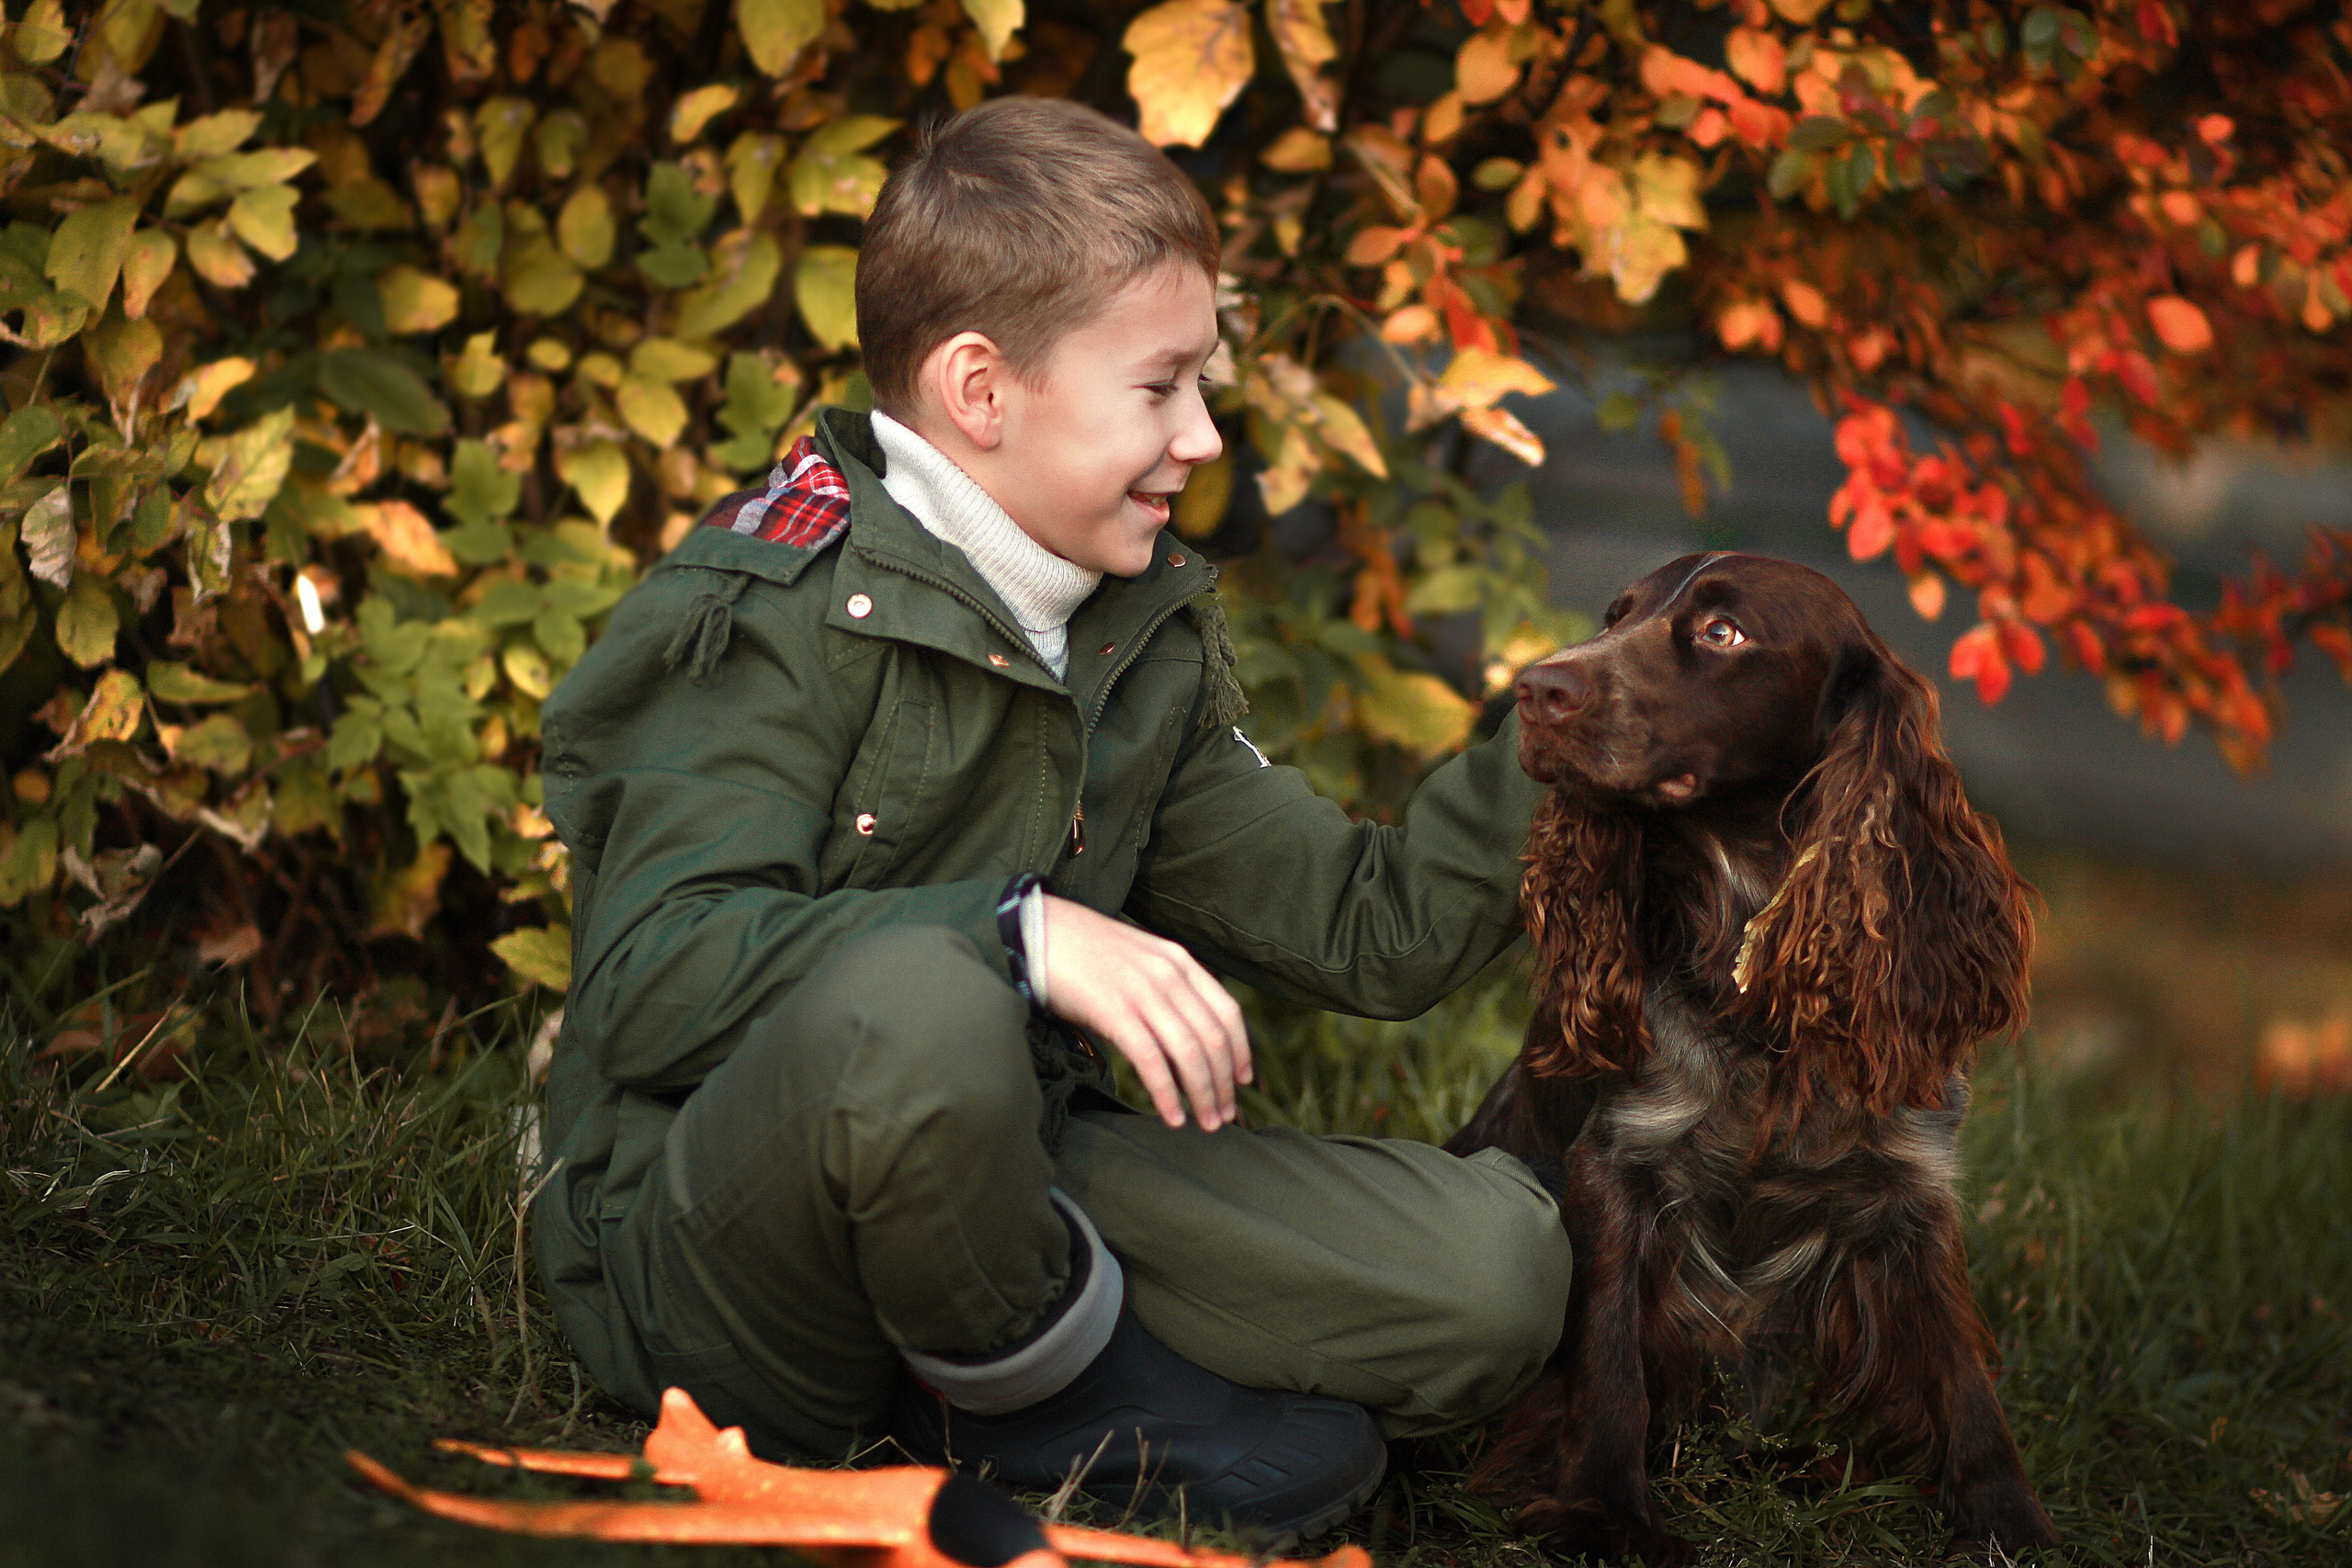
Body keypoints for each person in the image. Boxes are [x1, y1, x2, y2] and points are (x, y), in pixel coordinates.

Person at [533, 96, 1567, 1546]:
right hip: (719, 1256)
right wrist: (1012, 937)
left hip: (1007, 1176)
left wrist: (1580, 733)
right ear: (981, 390)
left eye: (1203, 386)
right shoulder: (770, 612)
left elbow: (1366, 929)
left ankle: (1004, 1370)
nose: (1203, 437)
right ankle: (1047, 1399)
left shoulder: (1128, 636)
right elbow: (652, 980)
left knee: (1494, 1267)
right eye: (1159, 390)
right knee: (922, 1004)